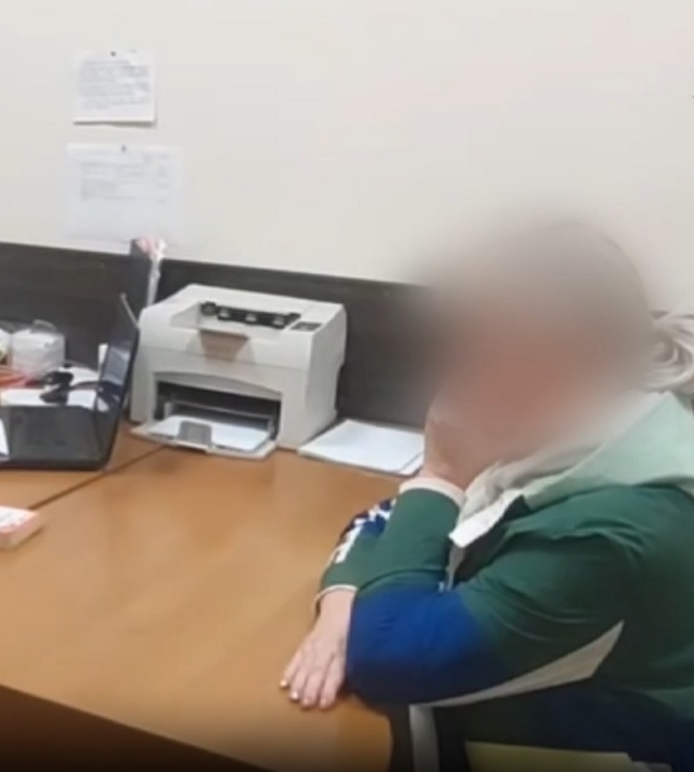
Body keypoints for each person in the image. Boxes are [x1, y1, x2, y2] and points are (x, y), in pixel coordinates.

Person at [280, 220, 694, 769]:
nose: (456, 378)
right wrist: (341, 606)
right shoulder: (591, 429)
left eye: (474, 351)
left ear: (549, 357)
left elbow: (385, 658)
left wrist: (441, 472)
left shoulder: (612, 534)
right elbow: (386, 519)